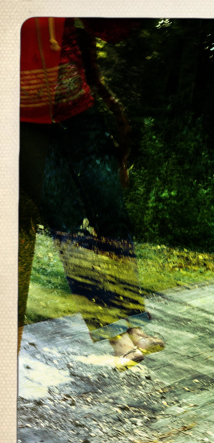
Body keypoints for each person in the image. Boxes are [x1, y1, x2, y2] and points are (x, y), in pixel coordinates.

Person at [19, 17, 165, 369]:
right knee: (70, 230)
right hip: (25, 125)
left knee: (112, 215)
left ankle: (134, 322)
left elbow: (111, 29)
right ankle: (115, 334)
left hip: (81, 113)